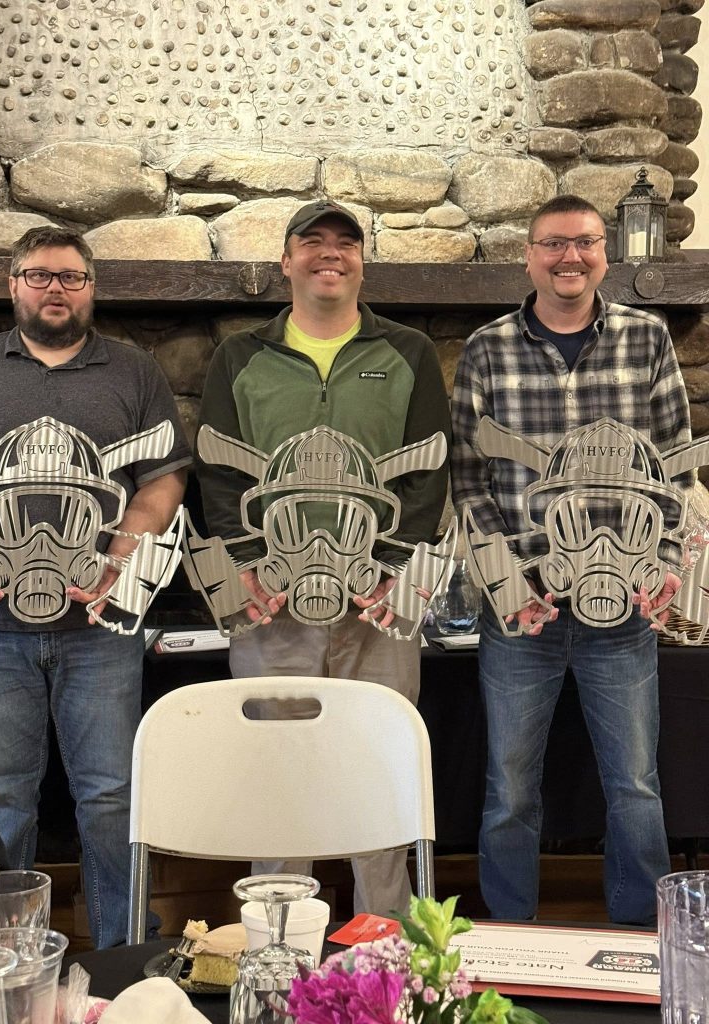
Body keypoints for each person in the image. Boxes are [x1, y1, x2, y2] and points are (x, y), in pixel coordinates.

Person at [196, 199, 450, 916]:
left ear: (363, 262)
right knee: (282, 781)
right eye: (312, 242)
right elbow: (216, 476)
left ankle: (390, 955)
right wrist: (244, 564)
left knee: (382, 773)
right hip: (271, 609)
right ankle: (281, 952)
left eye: (345, 243)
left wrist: (399, 572)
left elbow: (431, 475)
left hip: (378, 607)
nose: (329, 254)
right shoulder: (240, 357)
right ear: (286, 260)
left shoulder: (408, 352)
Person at [0, 226, 191, 947]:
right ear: (12, 284)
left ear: (92, 287)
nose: (56, 288)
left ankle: (120, 956)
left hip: (102, 631)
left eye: (72, 277)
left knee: (111, 799)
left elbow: (164, 474)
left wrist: (122, 554)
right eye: (41, 275)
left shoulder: (133, 372)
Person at [451, 194, 691, 926]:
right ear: (529, 256)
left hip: (626, 608)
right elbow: (469, 477)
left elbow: (677, 471)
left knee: (636, 784)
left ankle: (640, 936)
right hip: (519, 609)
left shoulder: (647, 341)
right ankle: (505, 938)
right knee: (511, 786)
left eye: (584, 243)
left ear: (605, 254)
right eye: (553, 244)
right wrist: (507, 580)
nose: (570, 258)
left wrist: (669, 562)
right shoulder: (486, 348)